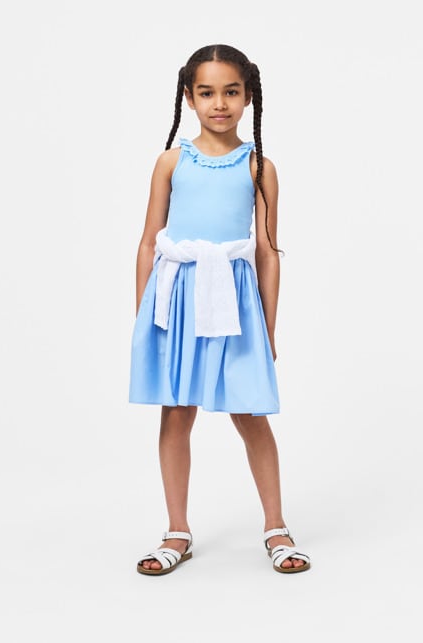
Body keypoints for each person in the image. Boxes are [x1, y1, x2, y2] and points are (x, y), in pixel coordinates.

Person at [129, 44, 311, 575]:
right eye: (207, 93)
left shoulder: (258, 167)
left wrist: (268, 329)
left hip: (235, 301)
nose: (220, 103)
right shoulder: (171, 162)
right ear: (189, 98)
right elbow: (149, 241)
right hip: (178, 300)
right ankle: (176, 530)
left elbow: (267, 252)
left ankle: (276, 527)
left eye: (231, 91)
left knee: (250, 414)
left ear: (248, 96)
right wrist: (144, 321)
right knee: (176, 412)